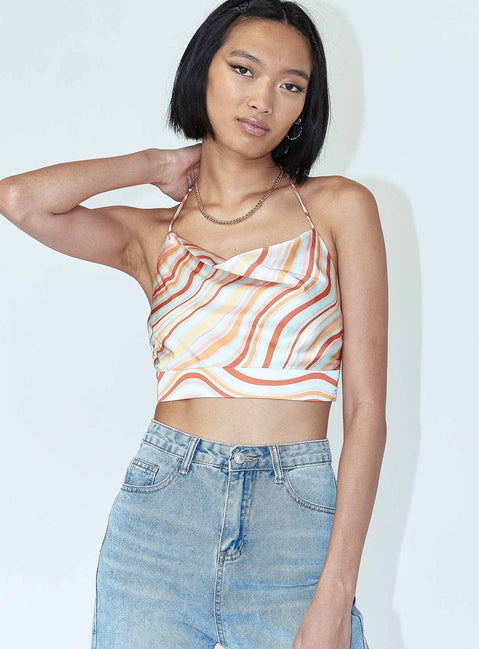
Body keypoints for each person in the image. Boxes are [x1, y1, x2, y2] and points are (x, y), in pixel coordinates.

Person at [0, 1, 387, 647]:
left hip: (294, 522)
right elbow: (18, 199)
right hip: (160, 520)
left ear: (304, 107)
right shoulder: (153, 236)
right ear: (201, 72)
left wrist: (336, 591)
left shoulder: (338, 208)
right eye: (244, 69)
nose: (262, 99)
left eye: (291, 85)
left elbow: (367, 410)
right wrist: (154, 164)